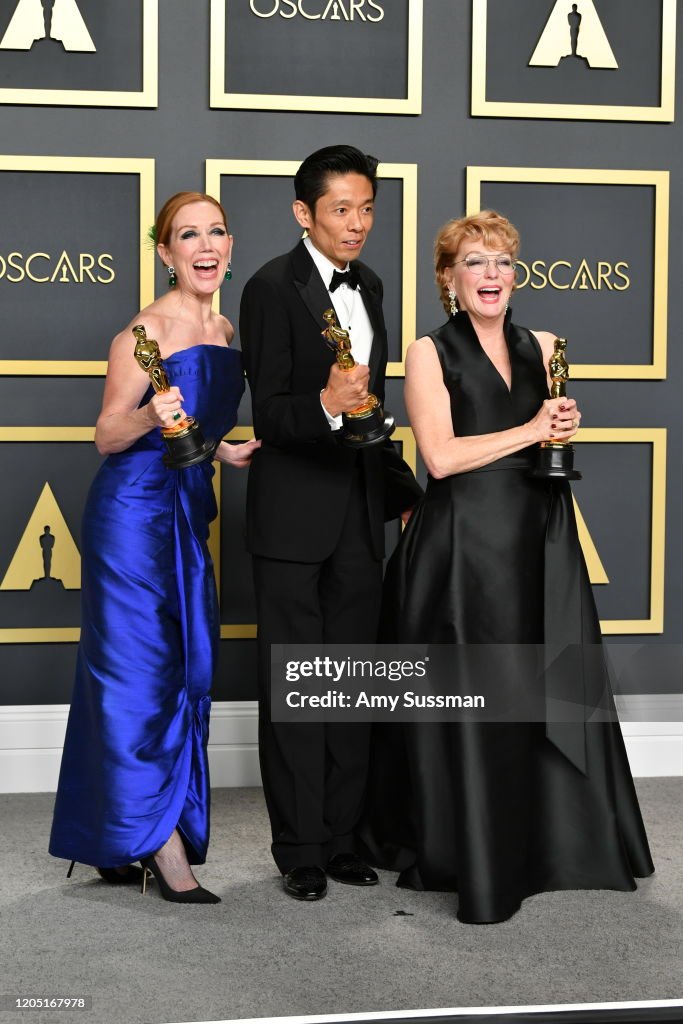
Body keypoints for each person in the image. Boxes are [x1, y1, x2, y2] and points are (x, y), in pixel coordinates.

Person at [360, 210, 654, 924]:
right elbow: (441, 459)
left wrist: (558, 429)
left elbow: (546, 450)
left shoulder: (548, 346)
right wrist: (531, 428)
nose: (490, 275)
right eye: (474, 263)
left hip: (538, 539)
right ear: (448, 280)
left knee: (554, 684)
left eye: (501, 262)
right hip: (461, 549)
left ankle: (560, 844)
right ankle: (475, 854)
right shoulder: (428, 353)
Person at [49, 191, 259, 903]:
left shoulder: (225, 327)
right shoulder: (145, 328)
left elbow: (192, 422)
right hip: (132, 520)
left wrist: (223, 452)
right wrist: (146, 412)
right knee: (139, 677)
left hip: (187, 512)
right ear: (166, 253)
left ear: (228, 246)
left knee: (183, 669)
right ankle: (162, 851)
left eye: (216, 231)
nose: (205, 244)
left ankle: (118, 833)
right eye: (187, 235)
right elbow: (108, 434)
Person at [239, 145, 422, 901]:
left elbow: (372, 409)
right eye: (341, 209)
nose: (357, 224)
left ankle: (346, 839)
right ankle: (301, 849)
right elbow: (273, 414)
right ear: (303, 213)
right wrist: (325, 405)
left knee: (351, 685)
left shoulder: (371, 284)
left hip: (356, 515)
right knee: (297, 690)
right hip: (289, 520)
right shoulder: (266, 288)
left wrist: (399, 490)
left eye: (367, 208)